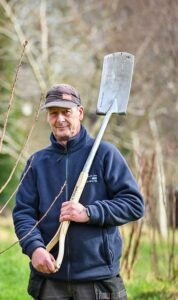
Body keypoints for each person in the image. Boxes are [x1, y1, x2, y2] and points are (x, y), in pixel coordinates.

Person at [13, 83, 144, 300]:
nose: (60, 119)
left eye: (66, 112)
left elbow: (134, 204)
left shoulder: (105, 154)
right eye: (53, 113)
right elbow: (23, 214)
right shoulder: (37, 163)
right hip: (50, 280)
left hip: (97, 280)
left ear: (80, 113)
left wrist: (89, 213)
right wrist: (35, 248)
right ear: (47, 117)